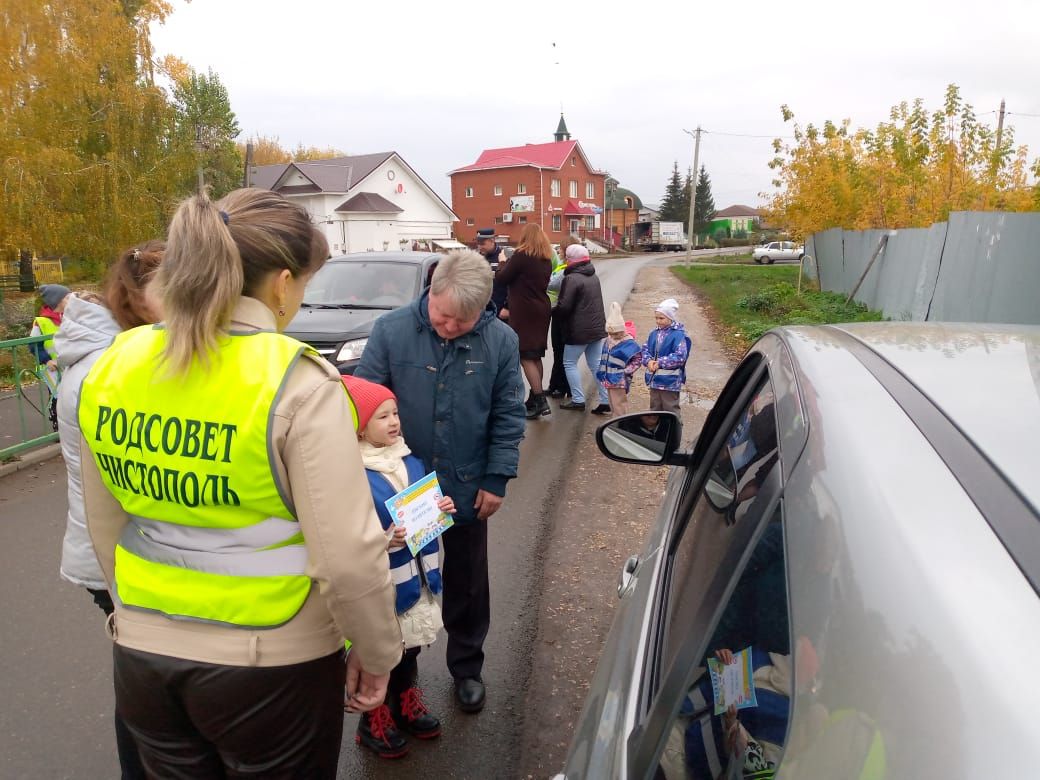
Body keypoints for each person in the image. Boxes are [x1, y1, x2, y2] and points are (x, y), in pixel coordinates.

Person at [77, 188, 402, 778]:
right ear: (281, 284)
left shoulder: (117, 362)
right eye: (304, 285)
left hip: (146, 658)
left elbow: (106, 523)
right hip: (273, 663)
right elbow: (348, 556)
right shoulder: (296, 381)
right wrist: (377, 654)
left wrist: (134, 616)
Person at [355, 248, 525, 714]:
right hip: (400, 490)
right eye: (443, 317)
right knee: (403, 584)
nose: (449, 328)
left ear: (483, 312)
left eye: (462, 323)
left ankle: (467, 667)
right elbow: (362, 406)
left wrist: (497, 477)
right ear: (432, 290)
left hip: (467, 485)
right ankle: (400, 679)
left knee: (468, 580)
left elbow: (509, 414)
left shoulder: (501, 341)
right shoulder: (391, 331)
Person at [54, 240, 165, 779]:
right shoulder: (109, 369)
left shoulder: (108, 354)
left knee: (144, 678)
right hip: (116, 555)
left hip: (114, 550)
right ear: (141, 299)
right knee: (144, 689)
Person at [343, 375, 454, 759]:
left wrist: (441, 508)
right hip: (383, 585)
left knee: (411, 647)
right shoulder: (350, 473)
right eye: (381, 417)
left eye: (394, 413)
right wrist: (381, 539)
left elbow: (423, 506)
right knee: (380, 650)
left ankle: (406, 701)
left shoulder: (410, 457)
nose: (393, 422)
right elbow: (344, 531)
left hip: (418, 577)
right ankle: (372, 719)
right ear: (358, 425)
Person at [495, 223, 553, 419]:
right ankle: (535, 397)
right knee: (535, 355)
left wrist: (502, 261)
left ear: (525, 237)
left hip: (525, 311)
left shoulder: (521, 256)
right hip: (541, 309)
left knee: (525, 355)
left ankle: (540, 401)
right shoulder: (546, 259)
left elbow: (502, 278)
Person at [555, 244, 610, 414]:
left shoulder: (571, 279)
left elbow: (564, 306)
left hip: (578, 331)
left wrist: (551, 310)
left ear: (571, 259)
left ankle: (578, 400)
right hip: (595, 328)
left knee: (569, 363)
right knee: (595, 365)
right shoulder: (592, 275)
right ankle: (606, 399)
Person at [30, 283, 71, 430]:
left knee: (70, 394)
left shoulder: (69, 317)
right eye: (67, 297)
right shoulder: (41, 322)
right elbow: (34, 345)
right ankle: (57, 425)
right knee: (57, 395)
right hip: (50, 367)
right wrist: (46, 360)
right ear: (57, 300)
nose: (71, 299)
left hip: (67, 364)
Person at [641, 297, 691, 415]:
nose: (658, 321)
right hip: (654, 380)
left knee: (670, 410)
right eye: (656, 318)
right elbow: (645, 349)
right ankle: (656, 431)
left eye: (661, 318)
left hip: (670, 382)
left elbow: (680, 357)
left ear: (670, 317)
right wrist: (648, 361)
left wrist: (659, 363)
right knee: (654, 408)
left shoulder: (679, 335)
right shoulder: (654, 333)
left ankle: (673, 431)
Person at [596, 301, 642, 417]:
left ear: (622, 330)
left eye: (616, 333)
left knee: (619, 405)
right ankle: (614, 423)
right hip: (608, 379)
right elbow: (604, 357)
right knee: (612, 404)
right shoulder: (608, 340)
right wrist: (602, 372)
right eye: (610, 333)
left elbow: (638, 359)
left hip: (619, 380)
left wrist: (626, 371)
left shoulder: (629, 343)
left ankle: (620, 424)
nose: (613, 336)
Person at [545, 238, 574, 399]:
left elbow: (551, 284)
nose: (558, 252)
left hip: (561, 312)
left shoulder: (566, 269)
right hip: (557, 311)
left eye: (561, 249)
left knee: (561, 351)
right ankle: (555, 385)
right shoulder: (563, 266)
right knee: (558, 351)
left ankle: (562, 387)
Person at [475, 227, 508, 317]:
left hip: (500, 310)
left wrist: (507, 307)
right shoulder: (476, 258)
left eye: (482, 244)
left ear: (492, 240)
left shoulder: (504, 256)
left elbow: (513, 283)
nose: (480, 247)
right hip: (481, 310)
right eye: (478, 244)